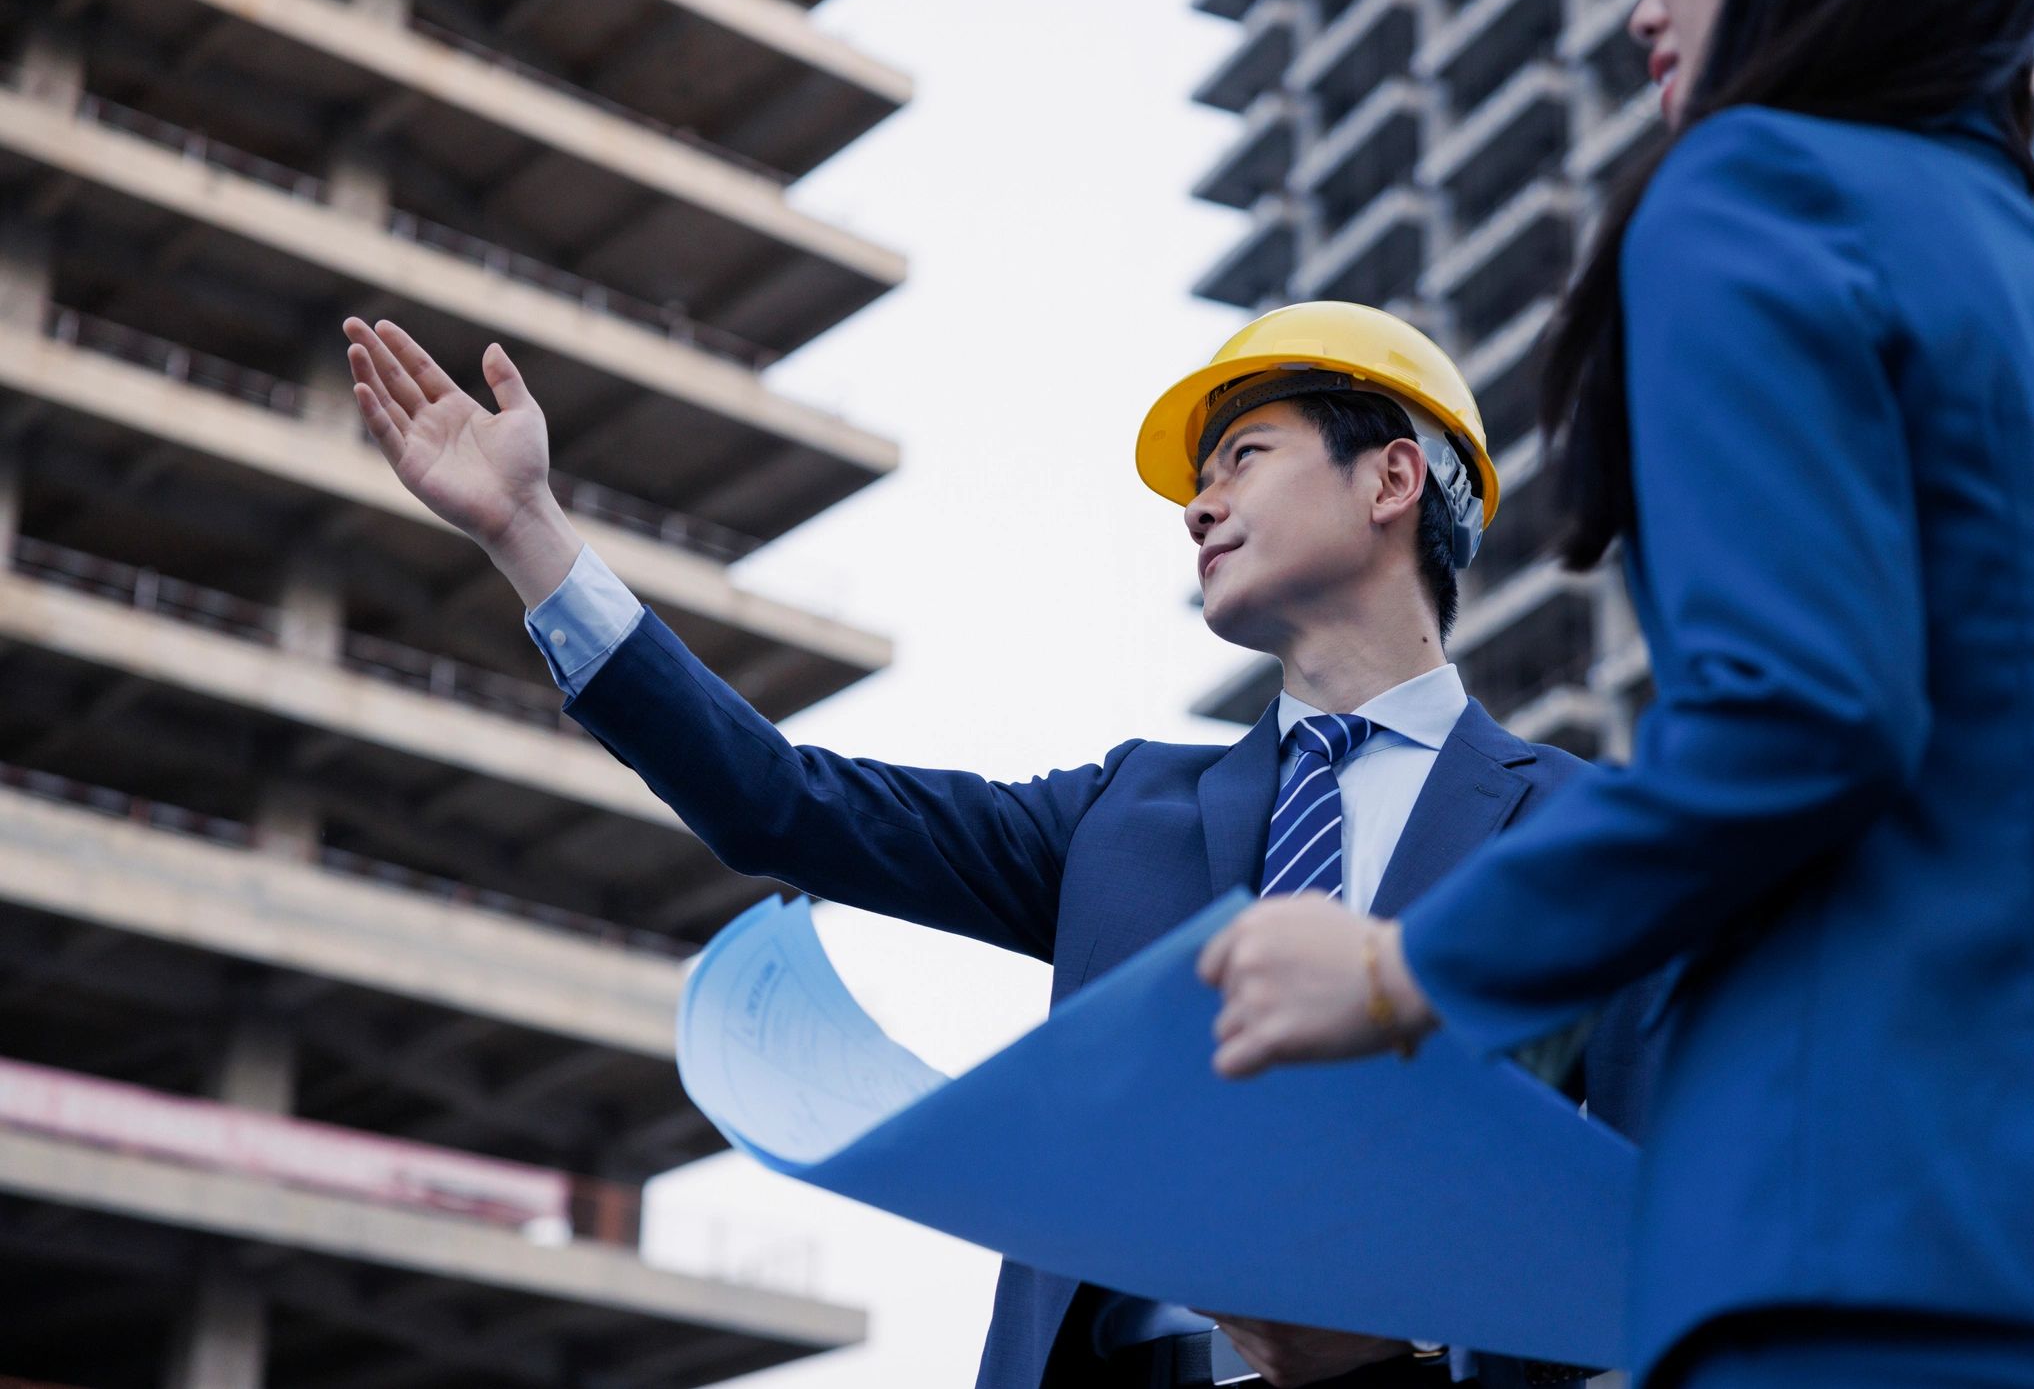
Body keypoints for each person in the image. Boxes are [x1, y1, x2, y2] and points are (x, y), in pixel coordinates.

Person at [342, 301, 1654, 1388]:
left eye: (1243, 453)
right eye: (1199, 479)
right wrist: (530, 537)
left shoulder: (1586, 833)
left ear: (1392, 476)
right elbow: (781, 802)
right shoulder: (1123, 813)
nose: (1198, 504)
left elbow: (1663, 1206)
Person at [1198, 0, 2034, 1386]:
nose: (1638, 5)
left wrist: (1405, 969)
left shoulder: (1755, 186)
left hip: (1852, 1253)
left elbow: (1802, 718)